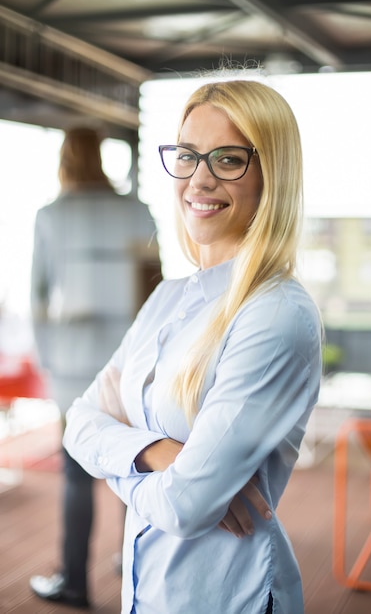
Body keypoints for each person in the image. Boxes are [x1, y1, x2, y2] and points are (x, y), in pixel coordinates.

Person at [63, 79, 322, 614]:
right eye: (187, 155)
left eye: (228, 159)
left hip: (229, 596)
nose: (198, 179)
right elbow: (79, 420)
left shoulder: (275, 314)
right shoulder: (167, 297)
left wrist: (118, 460)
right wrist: (159, 455)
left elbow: (185, 505)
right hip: (150, 590)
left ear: (271, 174)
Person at [29, 126, 160, 608]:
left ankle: (74, 581)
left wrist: (48, 367)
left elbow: (38, 299)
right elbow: (153, 294)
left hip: (70, 367)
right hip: (129, 362)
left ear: (63, 158)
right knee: (134, 460)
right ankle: (134, 562)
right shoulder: (137, 210)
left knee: (76, 472)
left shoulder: (50, 215)